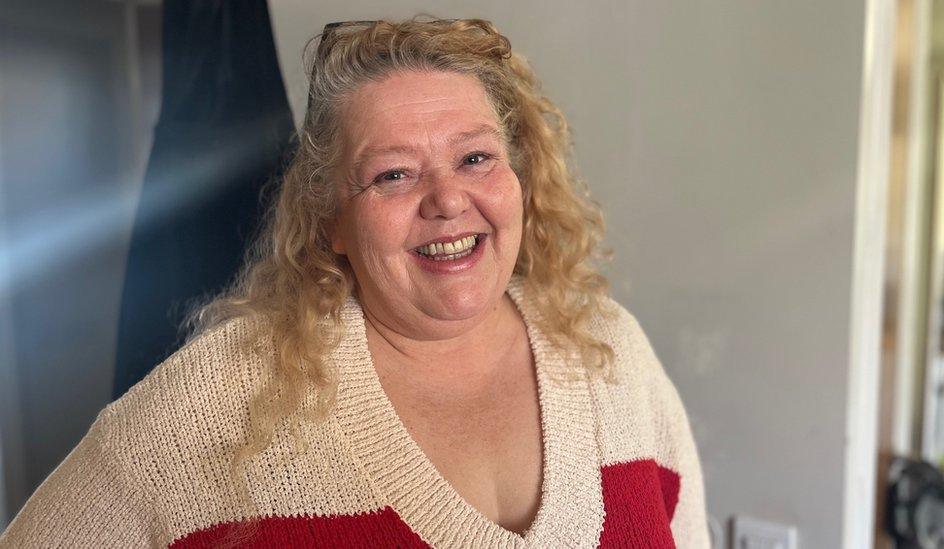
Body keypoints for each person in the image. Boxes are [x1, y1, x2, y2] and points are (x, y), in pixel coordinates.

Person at [0, 18, 708, 548]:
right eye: (393, 173)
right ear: (331, 219)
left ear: (521, 180)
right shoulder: (219, 400)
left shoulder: (613, 356)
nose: (447, 199)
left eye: (475, 157)